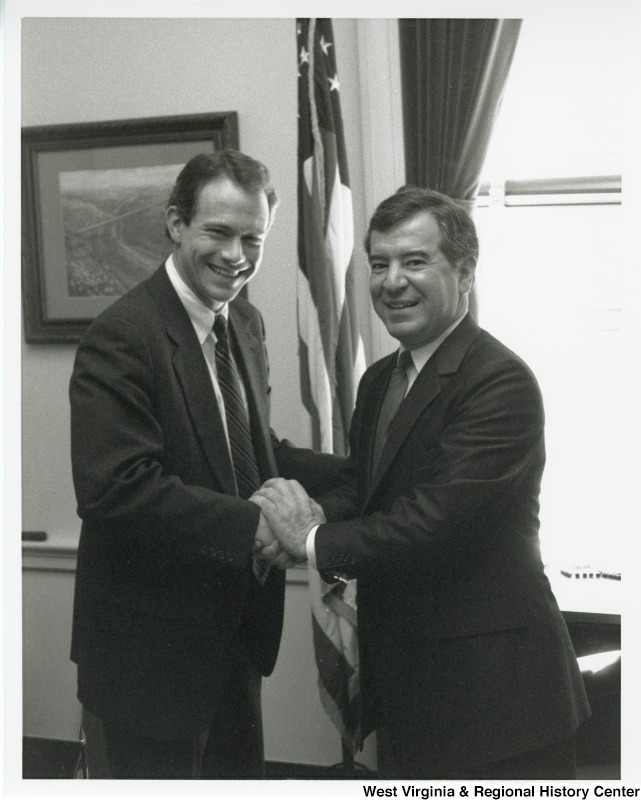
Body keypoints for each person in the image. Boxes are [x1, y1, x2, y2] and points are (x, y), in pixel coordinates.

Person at [252, 187, 591, 779]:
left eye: (414, 261)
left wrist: (307, 539)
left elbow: (434, 520)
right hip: (412, 689)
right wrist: (281, 483)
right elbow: (367, 487)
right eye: (379, 264)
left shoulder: (499, 381)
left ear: (464, 272)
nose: (391, 282)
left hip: (498, 701)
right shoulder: (382, 379)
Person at [69, 149, 325, 778]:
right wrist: (259, 527)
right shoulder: (122, 334)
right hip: (147, 659)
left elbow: (251, 451)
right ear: (176, 223)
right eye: (218, 232)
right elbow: (117, 488)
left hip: (233, 638)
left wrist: (366, 473)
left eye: (252, 238)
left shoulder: (245, 322)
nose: (237, 256)